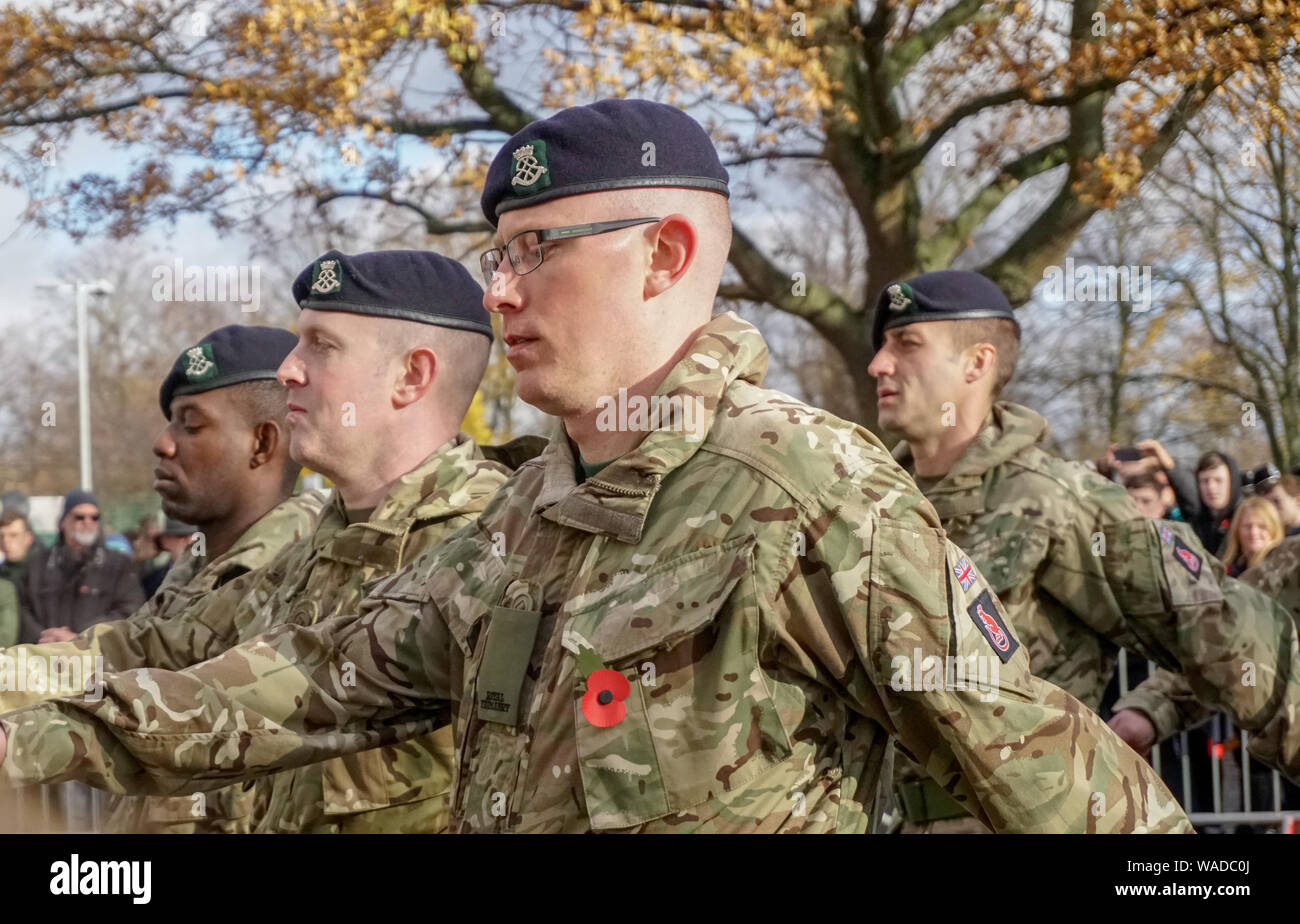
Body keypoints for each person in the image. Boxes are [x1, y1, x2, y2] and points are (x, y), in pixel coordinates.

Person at [0, 100, 1191, 833]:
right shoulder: (526, 514)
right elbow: (299, 684)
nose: (497, 289)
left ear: (664, 254)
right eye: (494, 254)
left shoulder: (802, 490)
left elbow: (1059, 781)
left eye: (532, 251)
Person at [865, 269, 1300, 830]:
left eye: (907, 344)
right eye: (882, 345)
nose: (879, 364)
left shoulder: (1056, 499)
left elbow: (1219, 629)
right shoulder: (875, 505)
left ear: (978, 363)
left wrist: (1157, 708)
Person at [0, 325, 325, 832]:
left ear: (262, 442)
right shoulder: (194, 570)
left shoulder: (308, 572)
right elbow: (120, 654)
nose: (162, 445)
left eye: (190, 427)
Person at [21, 490, 144, 644]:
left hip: (96, 658)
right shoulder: (37, 564)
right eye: (79, 517)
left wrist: (81, 638)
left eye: (94, 517)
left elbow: (129, 610)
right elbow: (23, 609)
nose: (87, 522)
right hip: (44, 654)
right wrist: (46, 638)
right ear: (63, 522)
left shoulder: (118, 565)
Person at [1221, 496, 1284, 577]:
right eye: (1247, 526)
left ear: (1274, 529)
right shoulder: (1228, 568)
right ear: (1237, 530)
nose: (1253, 532)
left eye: (1262, 526)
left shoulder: (1281, 566)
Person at [0, 510, 40, 633]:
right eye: (1, 536)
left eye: (13, 535)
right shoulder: (3, 575)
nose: (6, 541)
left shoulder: (45, 573)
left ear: (28, 538)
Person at [140, 518, 197, 599]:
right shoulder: (150, 583)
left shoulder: (212, 577)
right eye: (182, 537)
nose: (190, 542)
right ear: (166, 541)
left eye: (196, 537)